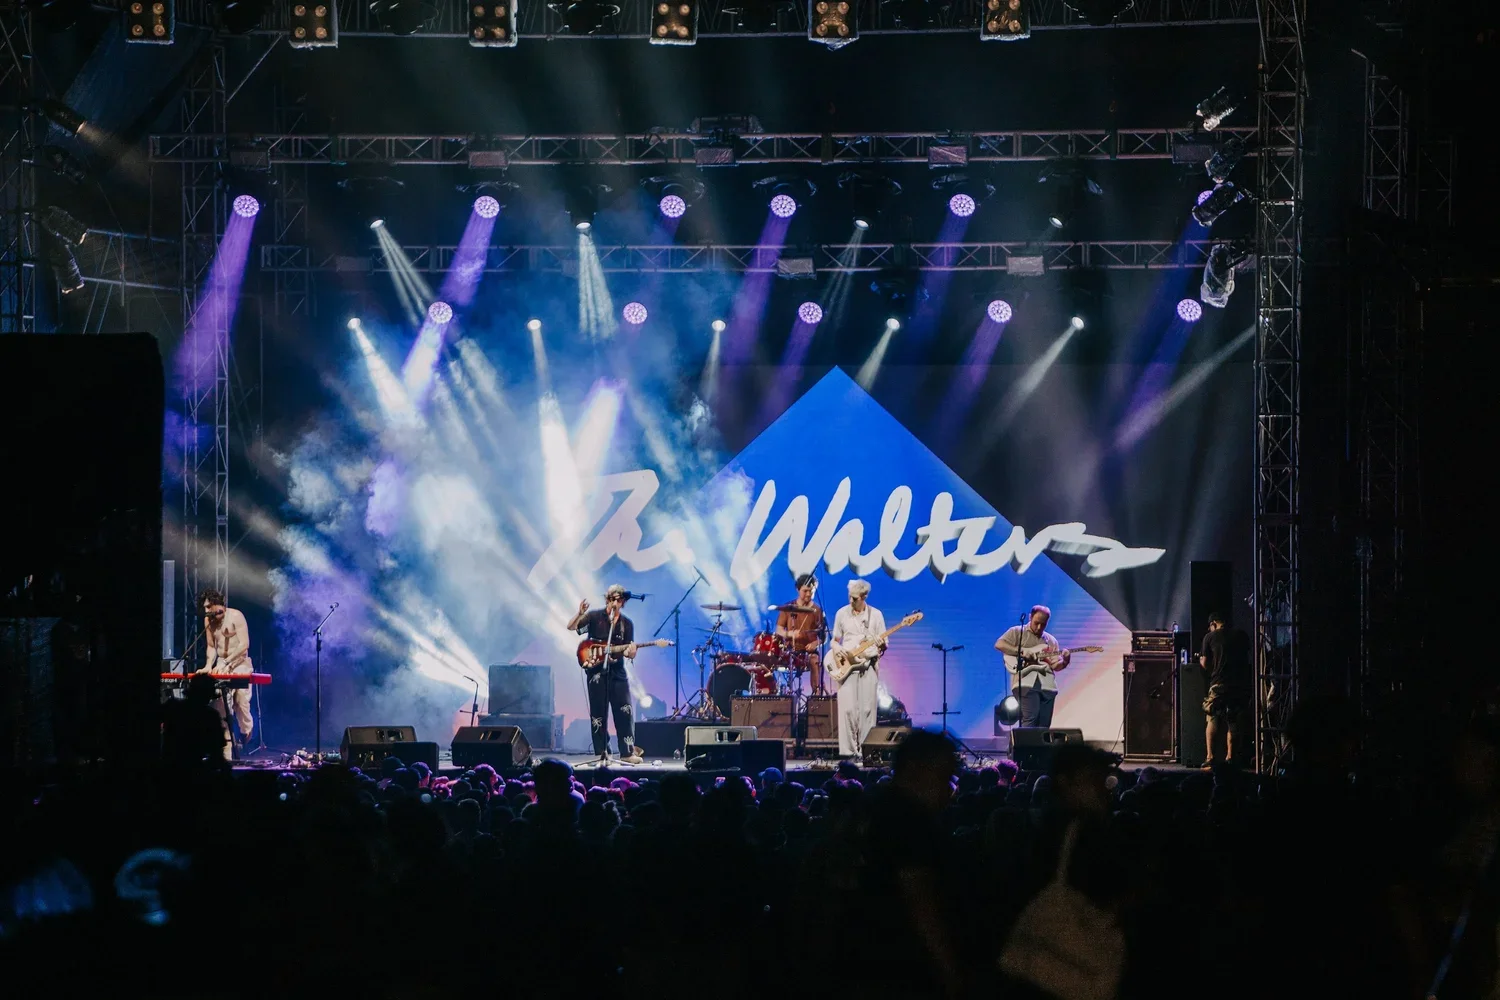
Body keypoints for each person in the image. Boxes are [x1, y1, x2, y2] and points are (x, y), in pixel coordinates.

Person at [567, 584, 643, 765]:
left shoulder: (627, 624)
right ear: (607, 599)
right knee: (598, 715)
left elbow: (628, 651)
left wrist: (631, 652)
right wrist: (579, 613)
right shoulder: (594, 617)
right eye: (611, 599)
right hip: (596, 673)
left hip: (618, 672)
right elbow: (571, 627)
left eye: (618, 599)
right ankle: (602, 752)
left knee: (625, 711)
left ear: (623, 602)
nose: (615, 602)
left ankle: (627, 752)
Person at [825, 579, 887, 759]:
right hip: (846, 666)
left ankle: (867, 752)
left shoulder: (876, 615)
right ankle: (848, 754)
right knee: (847, 710)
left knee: (867, 711)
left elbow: (885, 645)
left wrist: (881, 645)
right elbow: (835, 640)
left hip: (867, 666)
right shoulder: (841, 614)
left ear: (864, 596)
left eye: (854, 598)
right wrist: (837, 649)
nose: (851, 601)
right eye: (849, 597)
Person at [197, 589, 254, 759]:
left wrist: (229, 662)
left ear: (218, 605)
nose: (206, 610)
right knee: (221, 703)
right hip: (222, 662)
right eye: (204, 607)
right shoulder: (208, 620)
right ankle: (227, 747)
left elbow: (244, 644)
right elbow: (211, 646)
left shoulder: (236, 616)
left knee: (241, 700)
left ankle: (246, 729)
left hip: (239, 662)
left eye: (209, 606)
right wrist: (208, 665)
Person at [995, 604, 1071, 728]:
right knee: (1031, 719)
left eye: (1043, 624)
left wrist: (1066, 661)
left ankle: (1040, 747)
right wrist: (1021, 652)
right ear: (1030, 617)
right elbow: (999, 644)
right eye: (1036, 623)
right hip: (1026, 682)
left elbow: (1055, 665)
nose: (1039, 627)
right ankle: (1026, 747)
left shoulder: (1051, 640)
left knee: (1044, 724)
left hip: (1048, 685)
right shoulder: (1017, 632)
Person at [1198, 611, 1252, 768]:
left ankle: (1210, 757)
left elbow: (1205, 664)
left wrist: (1204, 663)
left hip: (1218, 683)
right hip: (1238, 685)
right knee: (1233, 721)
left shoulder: (1210, 637)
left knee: (1212, 718)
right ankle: (1231, 757)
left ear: (1213, 623)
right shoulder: (1241, 635)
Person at [775, 573, 827, 692]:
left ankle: (816, 695)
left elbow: (823, 636)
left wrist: (815, 643)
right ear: (798, 590)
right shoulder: (788, 607)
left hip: (808, 652)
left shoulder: (817, 611)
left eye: (811, 591)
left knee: (815, 660)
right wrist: (789, 634)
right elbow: (779, 630)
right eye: (805, 591)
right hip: (790, 650)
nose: (808, 594)